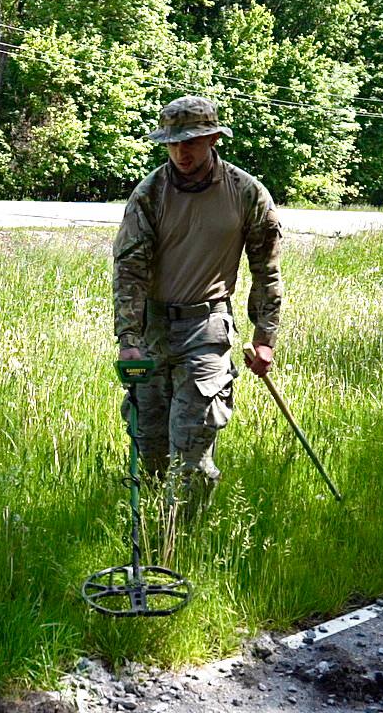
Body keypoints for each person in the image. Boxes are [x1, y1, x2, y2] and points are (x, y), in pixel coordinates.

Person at [113, 95, 283, 519]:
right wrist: (128, 338)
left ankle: (183, 540)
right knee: (148, 444)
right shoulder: (150, 193)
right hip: (152, 329)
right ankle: (151, 533)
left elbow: (266, 270)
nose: (180, 153)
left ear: (212, 138)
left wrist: (265, 338)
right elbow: (129, 270)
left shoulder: (246, 193)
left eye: (189, 142)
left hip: (206, 329)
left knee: (191, 451)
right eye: (172, 144)